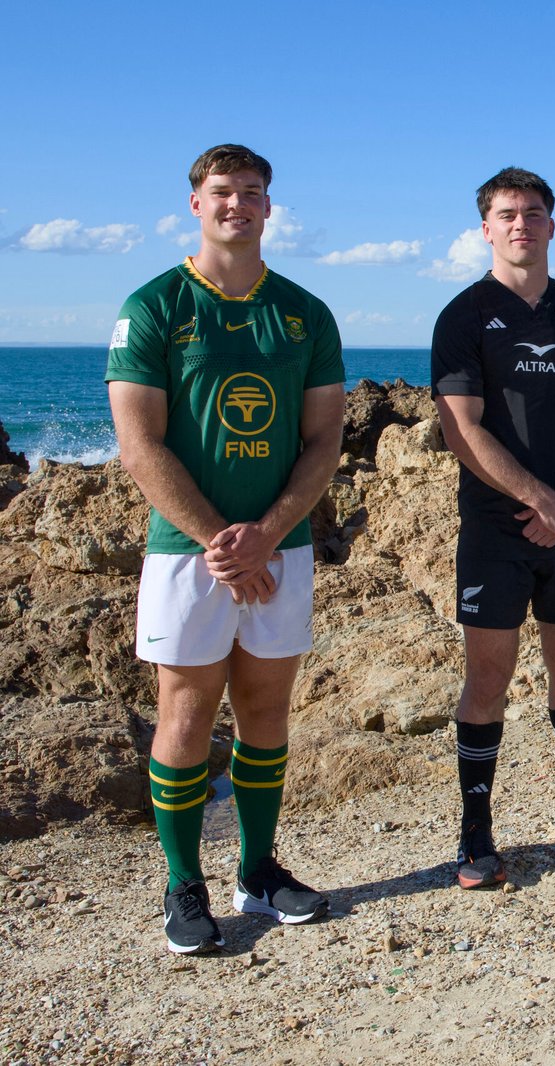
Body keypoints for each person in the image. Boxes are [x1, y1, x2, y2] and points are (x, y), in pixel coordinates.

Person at [106, 144, 345, 954]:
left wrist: (267, 535)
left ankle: (258, 871)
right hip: (188, 553)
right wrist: (222, 540)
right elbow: (138, 444)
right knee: (185, 710)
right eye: (222, 192)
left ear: (269, 207)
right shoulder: (153, 306)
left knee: (267, 710)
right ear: (196, 205)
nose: (236, 204)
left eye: (251, 191)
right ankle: (183, 883)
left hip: (282, 548)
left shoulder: (305, 313)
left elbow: (324, 440)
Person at [431, 167, 555, 889]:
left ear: (551, 225)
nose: (522, 224)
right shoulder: (463, 316)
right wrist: (540, 499)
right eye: (508, 214)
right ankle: (475, 829)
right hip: (495, 529)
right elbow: (462, 430)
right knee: (489, 678)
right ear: (486, 228)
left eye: (534, 212)